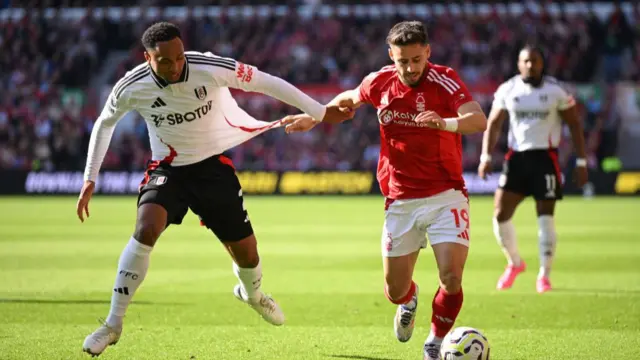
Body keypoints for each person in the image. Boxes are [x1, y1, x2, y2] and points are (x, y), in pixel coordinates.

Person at [77, 22, 352, 357]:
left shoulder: (209, 67)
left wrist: (321, 112)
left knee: (247, 254)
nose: (177, 66)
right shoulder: (131, 87)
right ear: (147, 57)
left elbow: (269, 83)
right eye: (166, 61)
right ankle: (112, 324)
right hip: (167, 170)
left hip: (212, 170)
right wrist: (90, 177)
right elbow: (105, 123)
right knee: (146, 228)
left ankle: (253, 295)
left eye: (179, 57)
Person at [281, 21, 487, 360]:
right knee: (395, 289)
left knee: (451, 277)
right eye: (402, 60)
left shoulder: (444, 80)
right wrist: (314, 116)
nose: (410, 68)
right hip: (400, 199)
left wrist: (445, 123)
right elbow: (347, 101)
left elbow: (477, 118)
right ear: (391, 56)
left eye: (417, 59)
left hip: (445, 194)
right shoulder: (379, 82)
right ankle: (408, 302)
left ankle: (434, 343)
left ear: (428, 53)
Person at [477, 45, 588, 294]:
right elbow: (493, 124)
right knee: (500, 214)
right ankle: (515, 263)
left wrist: (581, 162)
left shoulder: (555, 90)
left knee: (545, 218)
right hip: (516, 159)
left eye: (535, 61)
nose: (530, 65)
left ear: (542, 63)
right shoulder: (509, 89)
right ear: (519, 64)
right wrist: (485, 156)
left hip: (545, 159)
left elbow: (575, 125)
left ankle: (544, 276)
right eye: (526, 61)